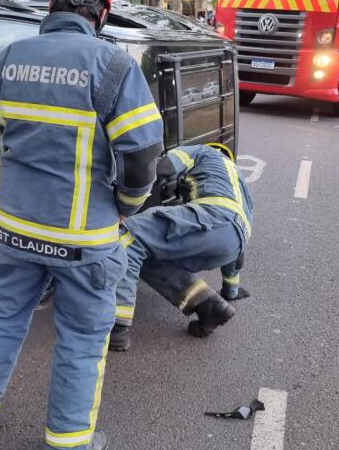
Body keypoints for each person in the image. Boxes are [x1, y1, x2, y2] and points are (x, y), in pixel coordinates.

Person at [0, 0, 163, 450]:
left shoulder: (9, 59)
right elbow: (141, 153)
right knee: (82, 339)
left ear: (52, 3)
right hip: (84, 240)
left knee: (0, 321)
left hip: (10, 230)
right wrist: (128, 206)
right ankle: (66, 449)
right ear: (102, 15)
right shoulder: (114, 67)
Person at [109, 143, 254, 352]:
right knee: (147, 252)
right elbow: (236, 243)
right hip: (232, 244)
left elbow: (164, 167)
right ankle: (209, 306)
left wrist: (123, 191)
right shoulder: (237, 184)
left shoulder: (201, 151)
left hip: (211, 219)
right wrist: (230, 289)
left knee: (128, 235)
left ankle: (117, 328)